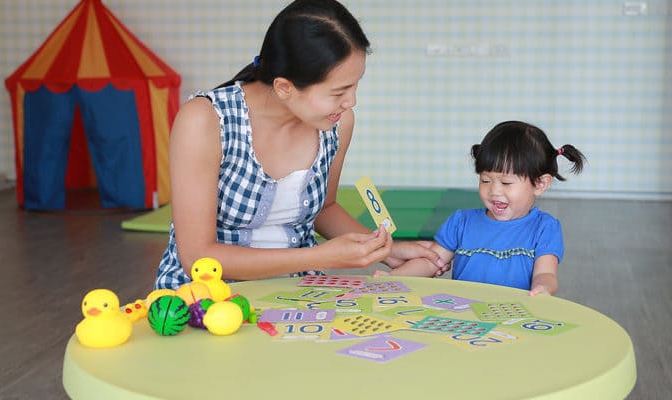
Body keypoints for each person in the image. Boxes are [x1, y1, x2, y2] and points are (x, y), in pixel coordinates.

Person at [154, 0, 443, 289]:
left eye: (356, 85)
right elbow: (197, 257)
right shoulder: (205, 121)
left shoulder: (338, 123)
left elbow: (325, 208)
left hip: (297, 294)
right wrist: (319, 257)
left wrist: (385, 249)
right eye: (339, 91)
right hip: (207, 299)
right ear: (284, 88)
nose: (351, 101)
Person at [374, 121, 587, 296]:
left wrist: (543, 288)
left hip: (517, 316)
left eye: (506, 183)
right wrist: (394, 278)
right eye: (485, 180)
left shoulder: (545, 227)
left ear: (540, 184)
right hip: (463, 315)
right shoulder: (462, 222)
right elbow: (430, 262)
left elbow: (546, 274)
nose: (494, 191)